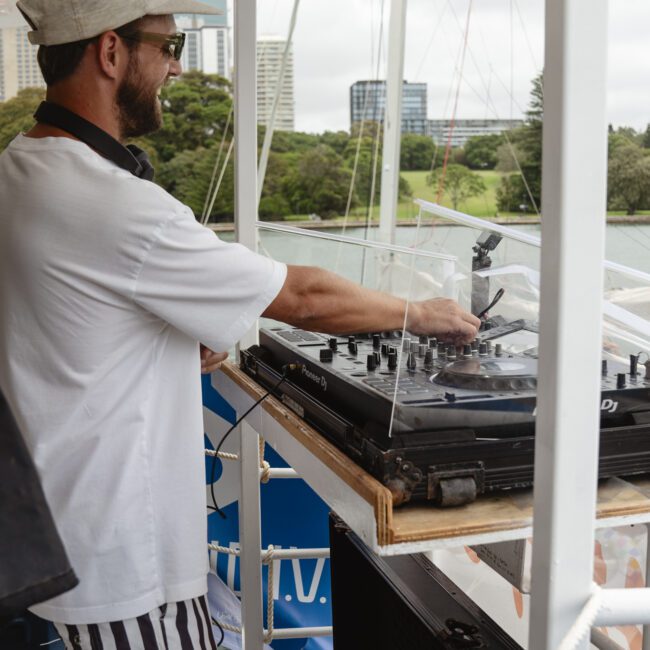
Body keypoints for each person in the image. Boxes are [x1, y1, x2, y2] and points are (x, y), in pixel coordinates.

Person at [0, 0, 480, 648]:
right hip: (120, 565)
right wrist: (418, 314)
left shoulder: (20, 169)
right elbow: (303, 297)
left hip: (55, 532)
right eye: (169, 47)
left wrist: (164, 338)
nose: (175, 68)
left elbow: (72, 318)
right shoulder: (113, 203)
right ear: (111, 51)